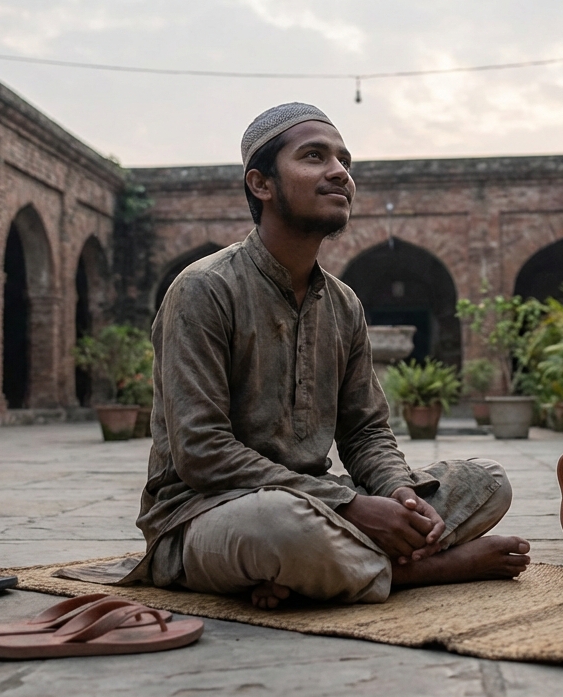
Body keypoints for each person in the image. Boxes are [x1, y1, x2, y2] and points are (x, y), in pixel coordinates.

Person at [110, 103, 529, 608]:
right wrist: (351, 505)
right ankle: (422, 569)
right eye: (314, 157)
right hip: (206, 514)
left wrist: (399, 496)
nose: (339, 173)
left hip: (320, 504)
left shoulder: (343, 303)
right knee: (276, 526)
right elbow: (201, 452)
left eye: (344, 161)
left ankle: (331, 570)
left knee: (488, 480)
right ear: (261, 184)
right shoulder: (205, 289)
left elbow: (366, 431)